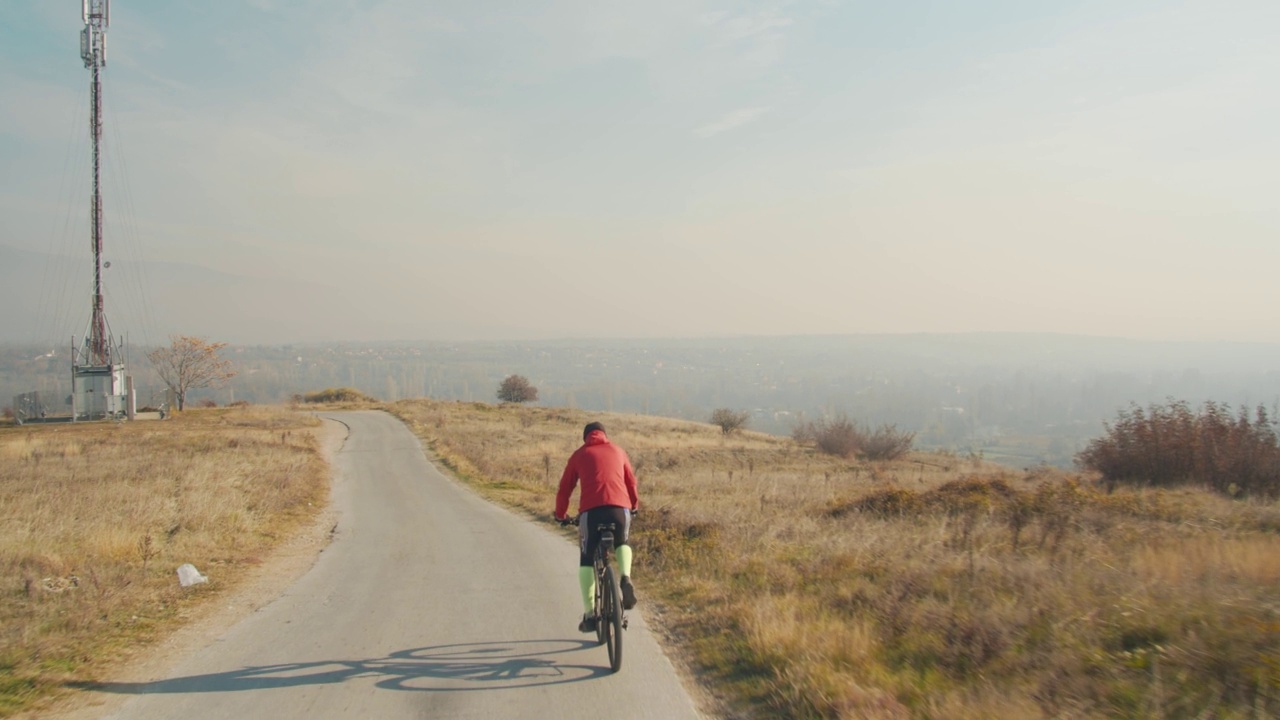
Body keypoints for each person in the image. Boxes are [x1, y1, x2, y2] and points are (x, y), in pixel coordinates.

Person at [555, 421, 639, 633]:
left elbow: (564, 489)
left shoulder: (579, 455)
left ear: (586, 437)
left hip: (591, 513)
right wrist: (634, 505)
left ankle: (590, 614)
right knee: (622, 541)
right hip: (619, 509)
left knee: (586, 557)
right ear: (604, 435)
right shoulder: (618, 451)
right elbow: (631, 482)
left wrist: (561, 515)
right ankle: (626, 578)